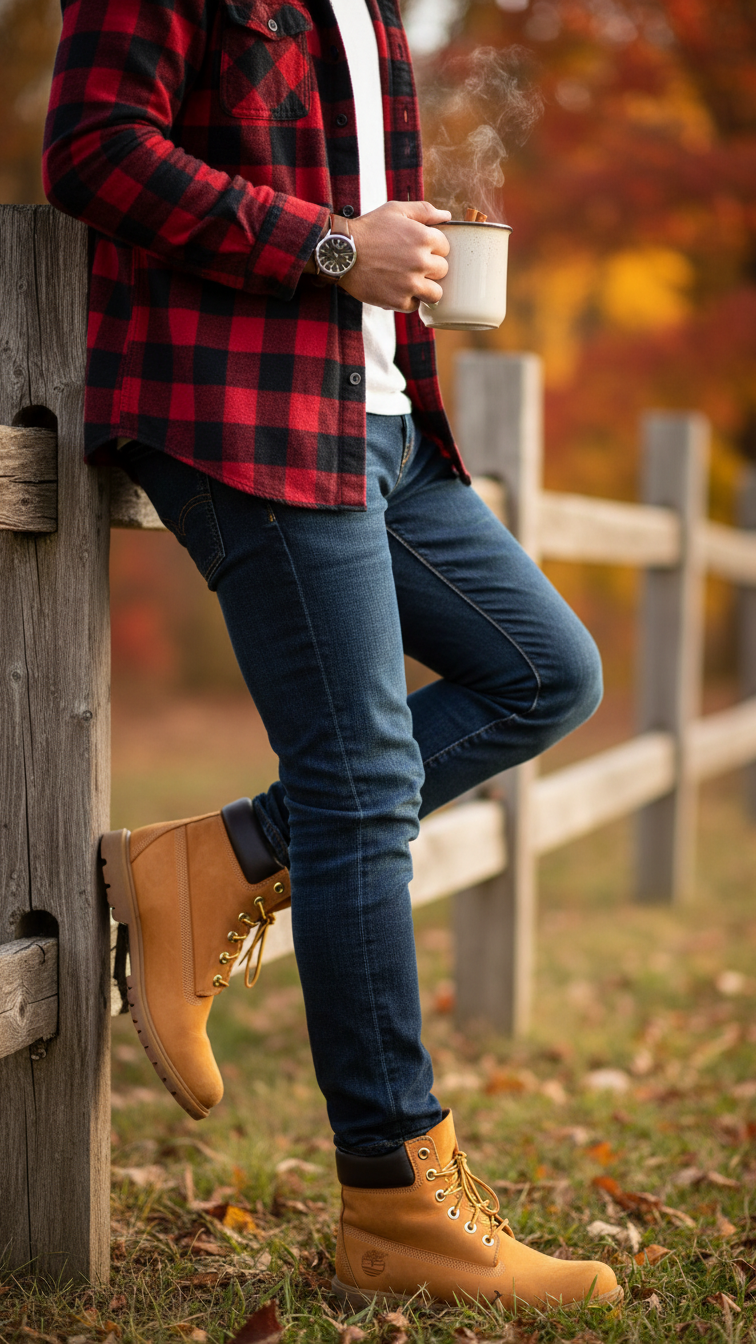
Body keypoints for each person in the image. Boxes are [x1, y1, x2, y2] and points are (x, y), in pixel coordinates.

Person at [43, 0, 620, 1313]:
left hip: (382, 416)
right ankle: (397, 1197)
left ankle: (223, 856)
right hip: (238, 403)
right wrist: (334, 243)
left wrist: (402, 259)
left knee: (546, 671)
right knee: (361, 790)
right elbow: (91, 148)